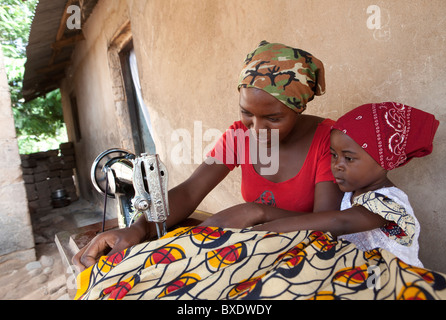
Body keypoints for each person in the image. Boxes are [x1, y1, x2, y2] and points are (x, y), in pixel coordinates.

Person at [73, 41, 343, 271]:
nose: (257, 129)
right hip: (255, 249)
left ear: (300, 106)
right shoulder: (240, 135)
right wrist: (140, 227)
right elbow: (191, 191)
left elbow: (328, 220)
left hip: (310, 254)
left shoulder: (327, 140)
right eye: (247, 113)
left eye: (274, 118)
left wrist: (256, 211)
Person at [234, 102, 439, 267]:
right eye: (333, 155)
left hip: (395, 284)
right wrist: (257, 213)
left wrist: (253, 235)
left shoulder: (390, 201)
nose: (337, 166)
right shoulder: (350, 194)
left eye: (348, 159)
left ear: (384, 161)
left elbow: (339, 222)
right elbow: (321, 221)